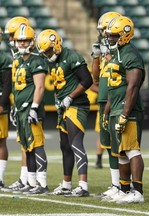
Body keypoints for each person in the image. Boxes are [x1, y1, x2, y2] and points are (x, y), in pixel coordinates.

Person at [36, 29, 93, 197]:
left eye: (48, 50)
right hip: (64, 107)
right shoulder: (54, 61)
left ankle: (83, 185)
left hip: (77, 105)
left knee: (75, 144)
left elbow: (87, 80)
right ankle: (67, 184)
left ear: (57, 44)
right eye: (45, 52)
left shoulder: (72, 57)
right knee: (65, 147)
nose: (47, 54)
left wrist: (70, 96)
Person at [102, 15, 145, 204]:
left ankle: (137, 191)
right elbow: (114, 87)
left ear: (125, 35)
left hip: (128, 110)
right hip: (115, 109)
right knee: (121, 152)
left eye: (114, 35)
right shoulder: (119, 53)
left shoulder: (130, 55)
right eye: (109, 35)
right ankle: (124, 189)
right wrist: (106, 112)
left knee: (132, 150)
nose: (110, 38)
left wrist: (125, 114)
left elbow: (133, 87)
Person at [12, 25, 49, 194]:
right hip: (21, 109)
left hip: (30, 109)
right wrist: (15, 107)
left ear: (32, 41)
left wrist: (34, 108)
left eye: (25, 40)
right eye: (19, 40)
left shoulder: (36, 60)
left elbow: (40, 87)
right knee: (27, 147)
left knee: (37, 145)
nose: (21, 43)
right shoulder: (20, 61)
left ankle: (42, 183)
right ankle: (32, 182)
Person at [91, 11, 121, 198]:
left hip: (118, 101)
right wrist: (96, 57)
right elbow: (95, 78)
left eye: (106, 31)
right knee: (108, 144)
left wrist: (109, 56)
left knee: (120, 145)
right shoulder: (104, 49)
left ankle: (125, 186)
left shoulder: (121, 50)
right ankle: (115, 184)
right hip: (104, 101)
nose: (103, 35)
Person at [1, 16, 31, 193]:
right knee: (24, 143)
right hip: (20, 104)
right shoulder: (17, 56)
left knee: (30, 143)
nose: (11, 40)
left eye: (13, 35)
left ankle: (31, 179)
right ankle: (25, 178)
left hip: (29, 105)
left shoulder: (30, 56)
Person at [0, 27, 12, 188]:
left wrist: (2, 103)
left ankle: (0, 178)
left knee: (0, 141)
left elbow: (7, 85)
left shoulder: (3, 58)